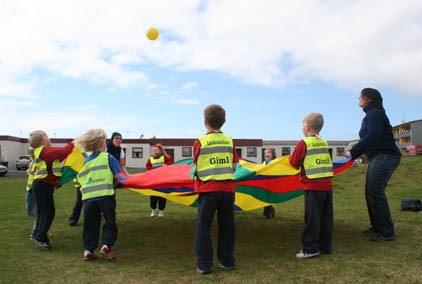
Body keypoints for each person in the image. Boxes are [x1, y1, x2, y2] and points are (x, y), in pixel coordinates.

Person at [346, 88, 401, 242]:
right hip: (377, 156)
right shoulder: (372, 114)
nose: (358, 99)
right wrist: (356, 152)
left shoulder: (375, 113)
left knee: (375, 192)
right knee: (371, 191)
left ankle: (387, 231)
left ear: (368, 98)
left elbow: (373, 134)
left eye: (360, 97)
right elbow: (371, 137)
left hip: (385, 156)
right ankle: (378, 226)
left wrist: (353, 152)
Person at [193, 104, 239, 274]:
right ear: (224, 121)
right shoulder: (229, 140)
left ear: (205, 122)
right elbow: (234, 166)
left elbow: (196, 165)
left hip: (208, 189)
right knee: (227, 226)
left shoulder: (200, 141)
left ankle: (204, 264)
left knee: (203, 227)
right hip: (227, 190)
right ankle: (227, 261)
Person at [289, 113, 334, 259]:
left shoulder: (304, 143)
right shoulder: (324, 142)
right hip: (327, 186)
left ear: (307, 128)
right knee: (326, 218)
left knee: (312, 218)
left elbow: (294, 162)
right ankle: (326, 246)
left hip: (313, 185)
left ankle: (310, 248)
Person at [76, 128, 122, 261]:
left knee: (90, 223)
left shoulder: (87, 161)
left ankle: (88, 250)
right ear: (103, 143)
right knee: (109, 221)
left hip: (88, 198)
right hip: (106, 195)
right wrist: (114, 184)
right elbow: (117, 177)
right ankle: (107, 245)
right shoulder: (109, 157)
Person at [28, 130, 74, 250]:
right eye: (47, 137)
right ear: (43, 140)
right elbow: (63, 151)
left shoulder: (41, 151)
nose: (49, 139)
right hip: (42, 186)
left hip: (41, 186)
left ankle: (38, 234)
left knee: (44, 212)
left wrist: (69, 149)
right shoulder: (45, 150)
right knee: (48, 212)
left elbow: (61, 155)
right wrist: (73, 143)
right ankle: (40, 237)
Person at [145, 143, 173, 217]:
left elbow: (170, 162)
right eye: (153, 150)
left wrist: (166, 165)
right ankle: (153, 209)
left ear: (160, 151)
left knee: (162, 196)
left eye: (156, 150)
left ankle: (161, 210)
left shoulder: (164, 157)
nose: (154, 152)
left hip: (163, 181)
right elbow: (148, 166)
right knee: (153, 196)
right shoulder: (150, 159)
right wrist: (151, 170)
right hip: (153, 181)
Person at [262, 148, 276, 219]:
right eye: (265, 153)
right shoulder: (264, 163)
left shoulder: (275, 162)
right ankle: (269, 211)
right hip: (265, 183)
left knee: (267, 198)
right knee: (265, 198)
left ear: (273, 154)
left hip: (271, 183)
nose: (266, 154)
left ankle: (267, 213)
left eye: (268, 153)